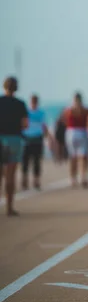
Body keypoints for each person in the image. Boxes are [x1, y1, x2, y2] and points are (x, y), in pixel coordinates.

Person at [0, 77, 28, 216]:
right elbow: (25, 124)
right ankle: (9, 207)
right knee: (10, 175)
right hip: (14, 139)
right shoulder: (20, 104)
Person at [22, 94, 52, 190]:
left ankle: (36, 181)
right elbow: (22, 124)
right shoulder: (25, 112)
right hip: (26, 138)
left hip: (37, 138)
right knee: (25, 161)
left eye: (35, 101)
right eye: (32, 101)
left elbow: (44, 125)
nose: (34, 103)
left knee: (36, 161)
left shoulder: (41, 113)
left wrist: (48, 137)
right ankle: (25, 180)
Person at [63, 93, 88, 188]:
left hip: (71, 132)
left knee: (73, 157)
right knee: (83, 157)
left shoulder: (69, 110)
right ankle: (83, 177)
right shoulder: (85, 110)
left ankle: (73, 179)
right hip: (81, 132)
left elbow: (64, 121)